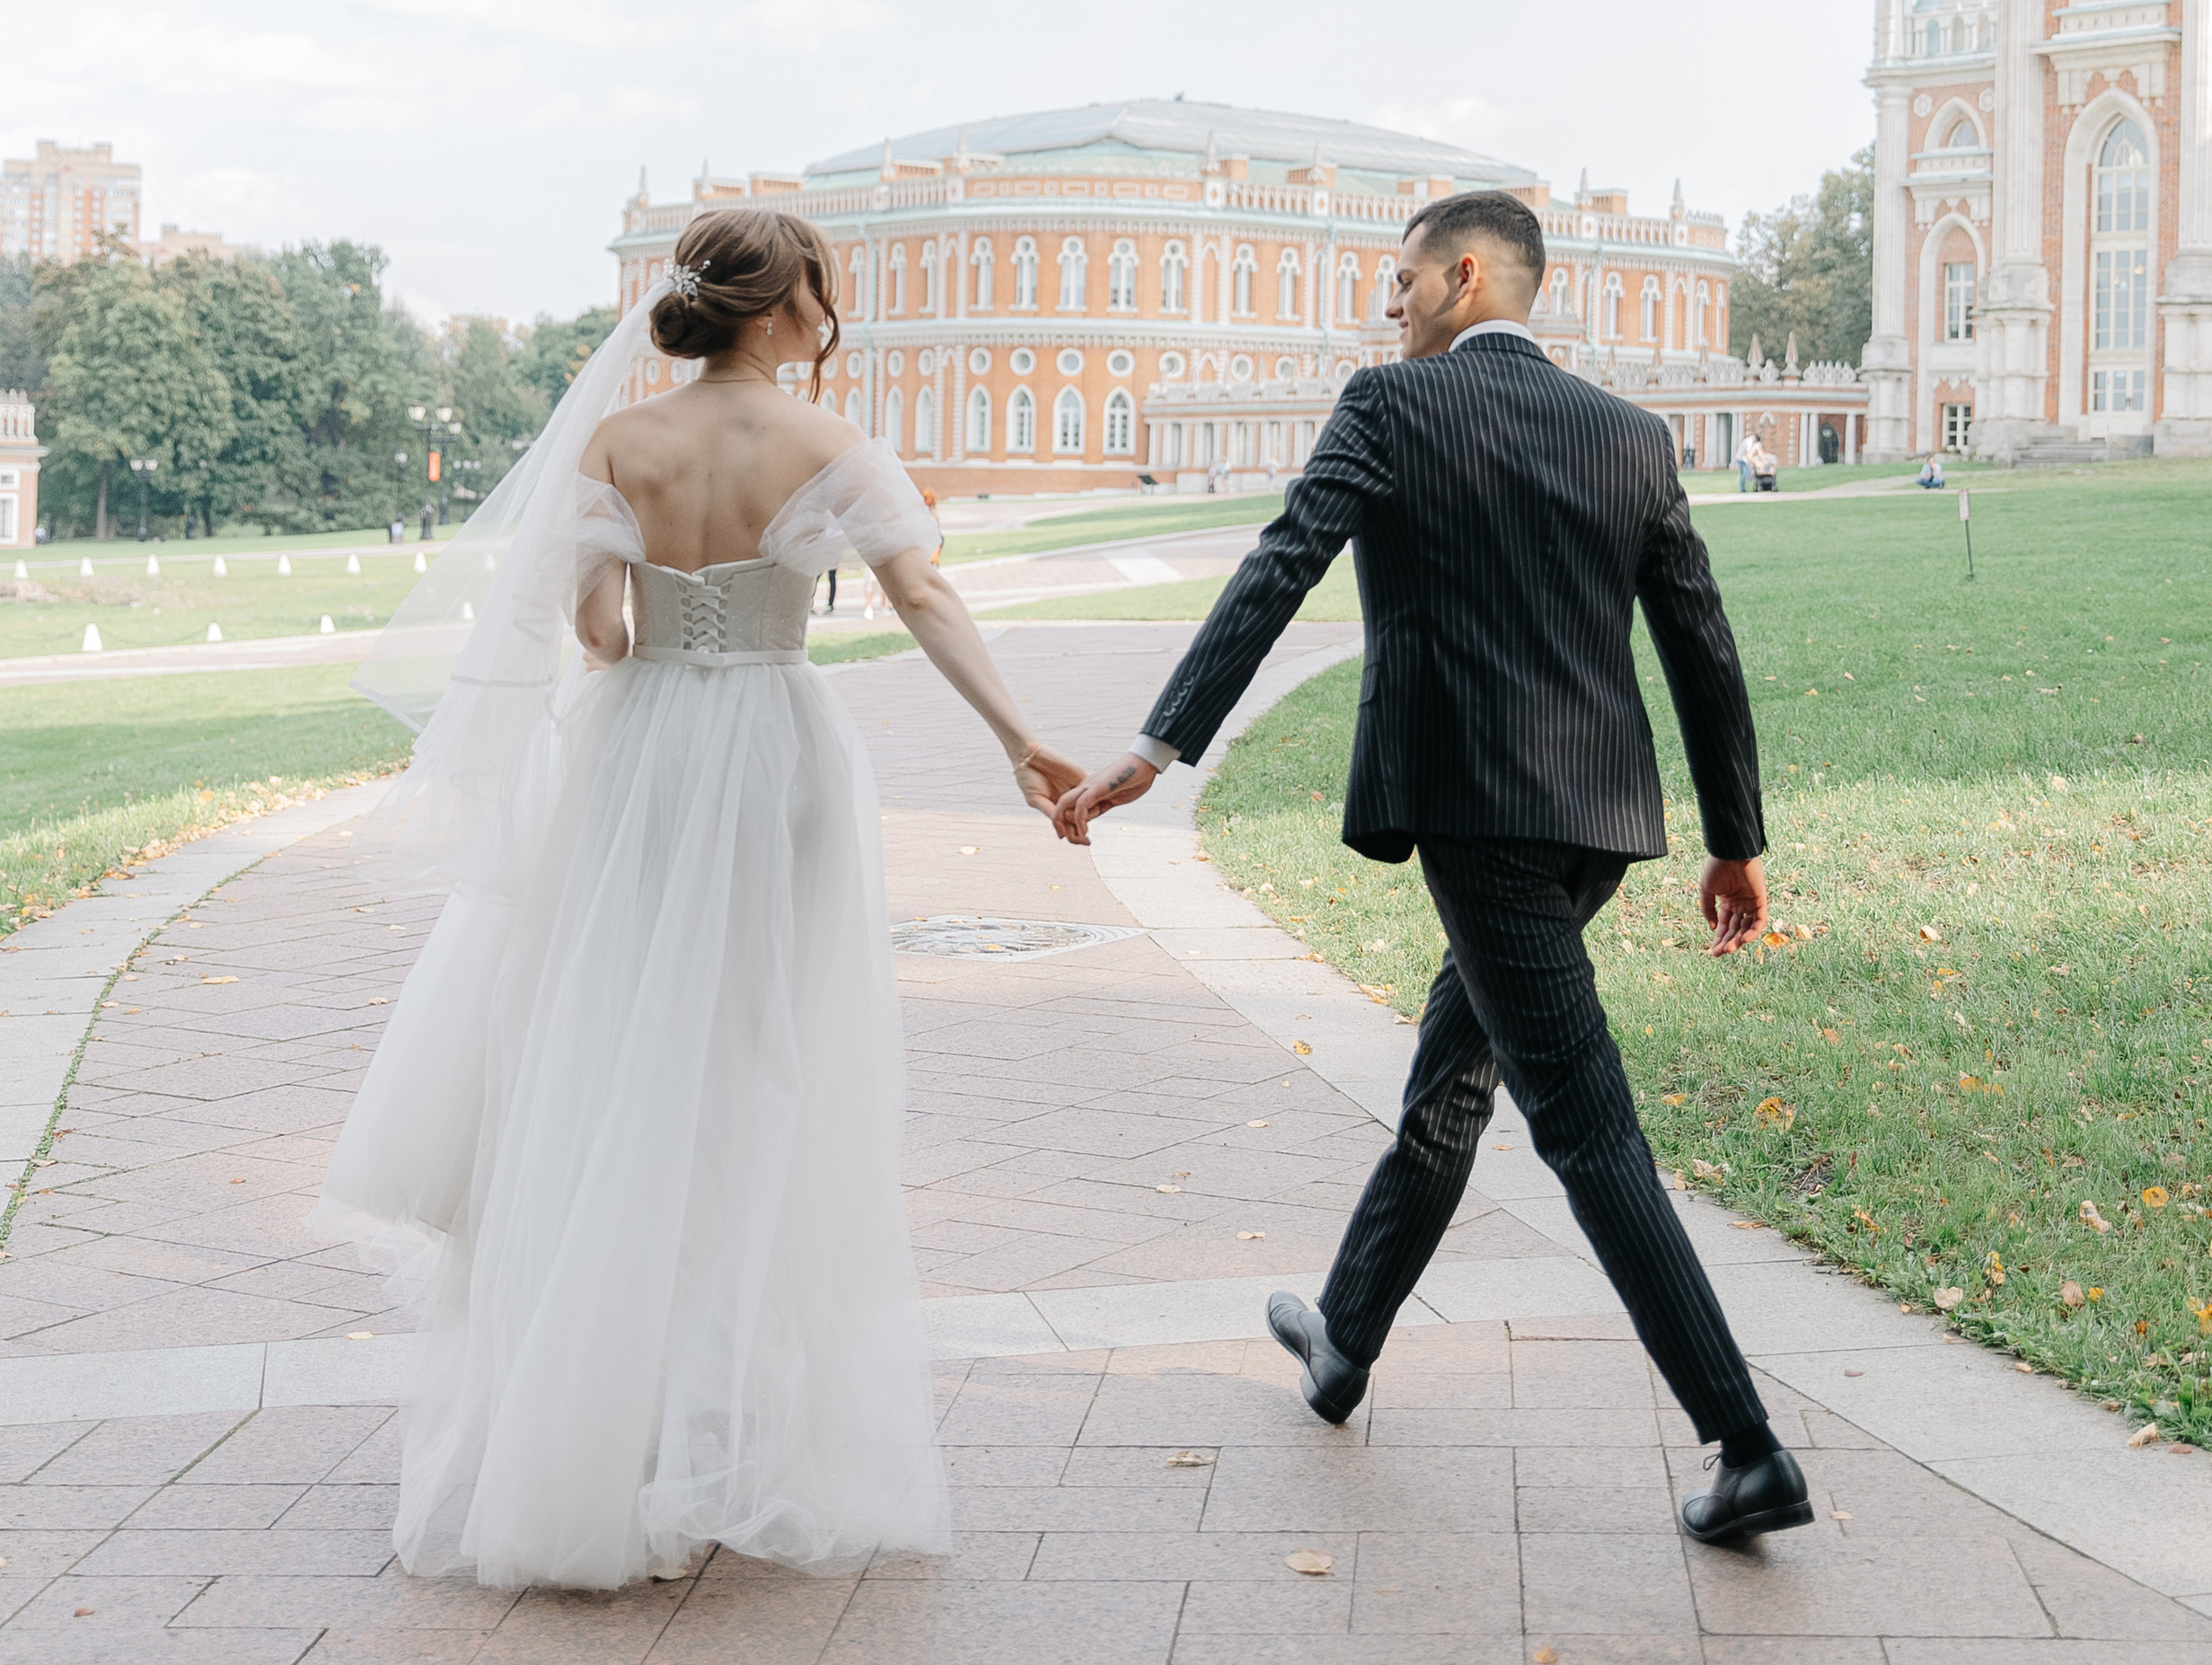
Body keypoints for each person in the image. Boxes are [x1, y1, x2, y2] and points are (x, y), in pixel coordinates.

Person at [322, 206, 1081, 1590]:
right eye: (822, 293)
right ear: (786, 307)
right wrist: (1020, 740)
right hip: (774, 752)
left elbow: (597, 631)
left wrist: (644, 627)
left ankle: (594, 1417)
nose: (827, 314)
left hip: (641, 752)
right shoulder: (833, 444)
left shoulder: (620, 441)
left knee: (616, 1050)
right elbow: (924, 596)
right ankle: (725, 1423)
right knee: (756, 1062)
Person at [1053, 188, 1810, 1552]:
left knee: (1585, 1127)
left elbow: (1284, 564)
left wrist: (1157, 748)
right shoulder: (1631, 435)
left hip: (1476, 813)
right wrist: (1732, 838)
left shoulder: (1392, 407)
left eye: (1400, 281)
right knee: (1456, 1077)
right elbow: (1702, 640)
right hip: (1600, 818)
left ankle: (1746, 1444)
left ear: (1464, 277)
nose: (1388, 306)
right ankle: (1344, 1338)